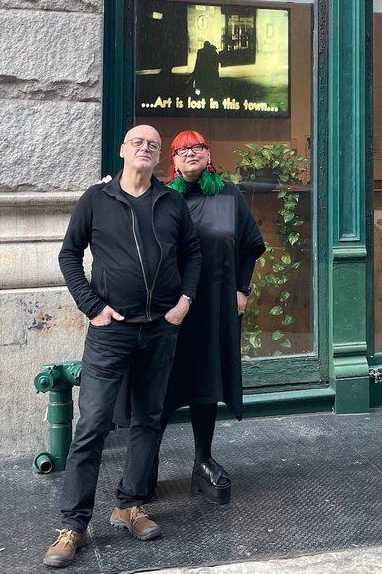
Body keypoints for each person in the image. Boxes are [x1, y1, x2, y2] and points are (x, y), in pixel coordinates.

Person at [43, 124, 202, 569]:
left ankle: (129, 505)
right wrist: (92, 306)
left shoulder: (171, 201)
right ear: (122, 150)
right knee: (93, 424)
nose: (145, 148)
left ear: (159, 155)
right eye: (138, 142)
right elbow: (69, 255)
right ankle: (73, 525)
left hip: (161, 328)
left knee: (148, 418)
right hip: (111, 330)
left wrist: (184, 302)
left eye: (153, 144)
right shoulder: (97, 199)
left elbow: (193, 254)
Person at [153, 130, 265, 504]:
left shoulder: (227, 196)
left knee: (207, 380)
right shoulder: (163, 198)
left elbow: (249, 246)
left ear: (209, 154)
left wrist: (241, 289)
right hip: (172, 307)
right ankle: (147, 459)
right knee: (163, 383)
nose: (191, 153)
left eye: (197, 147)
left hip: (216, 303)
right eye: (182, 149)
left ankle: (203, 460)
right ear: (173, 159)